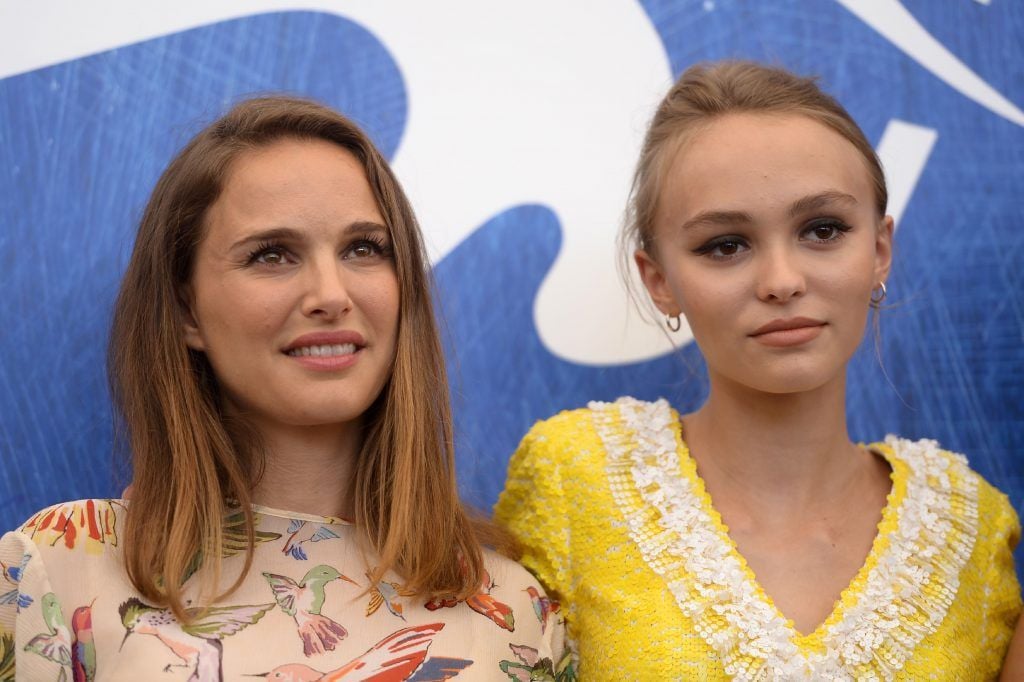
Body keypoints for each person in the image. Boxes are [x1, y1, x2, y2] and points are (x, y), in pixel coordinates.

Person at [0, 96, 573, 681]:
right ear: (185, 310)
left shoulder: (512, 609)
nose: (331, 292)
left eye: (363, 249)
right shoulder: (61, 569)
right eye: (272, 255)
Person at [496, 61, 1020, 679]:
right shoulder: (572, 478)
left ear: (879, 250)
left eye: (822, 230)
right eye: (726, 245)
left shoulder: (969, 525)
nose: (782, 281)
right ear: (659, 280)